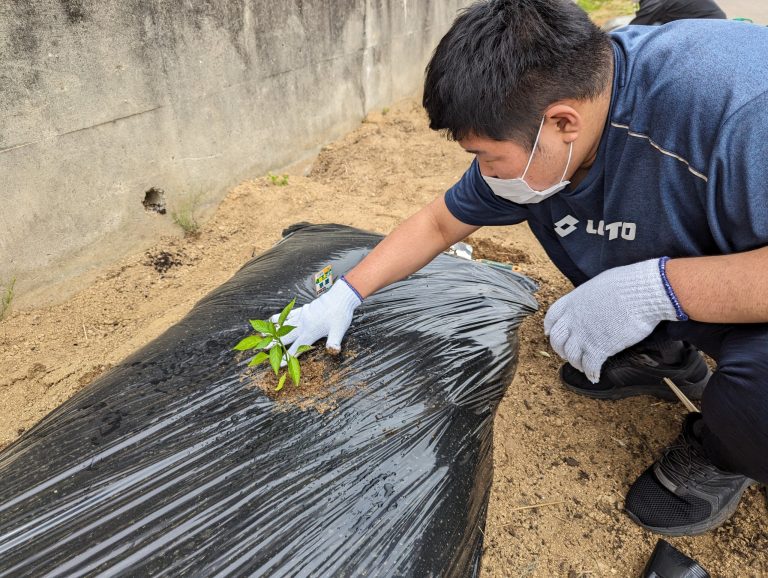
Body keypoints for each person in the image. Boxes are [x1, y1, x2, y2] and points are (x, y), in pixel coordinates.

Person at [273, 0, 768, 536]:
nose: (483, 172)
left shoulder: (741, 113)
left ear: (563, 121)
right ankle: (666, 353)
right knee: (589, 234)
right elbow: (440, 224)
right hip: (714, 265)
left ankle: (723, 451)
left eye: (487, 156)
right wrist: (346, 292)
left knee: (756, 391)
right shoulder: (550, 137)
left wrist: (654, 290)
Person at [630, 0, 726, 25]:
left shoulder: (656, 2)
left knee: (652, 28)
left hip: (710, 23)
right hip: (715, 18)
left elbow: (637, 25)